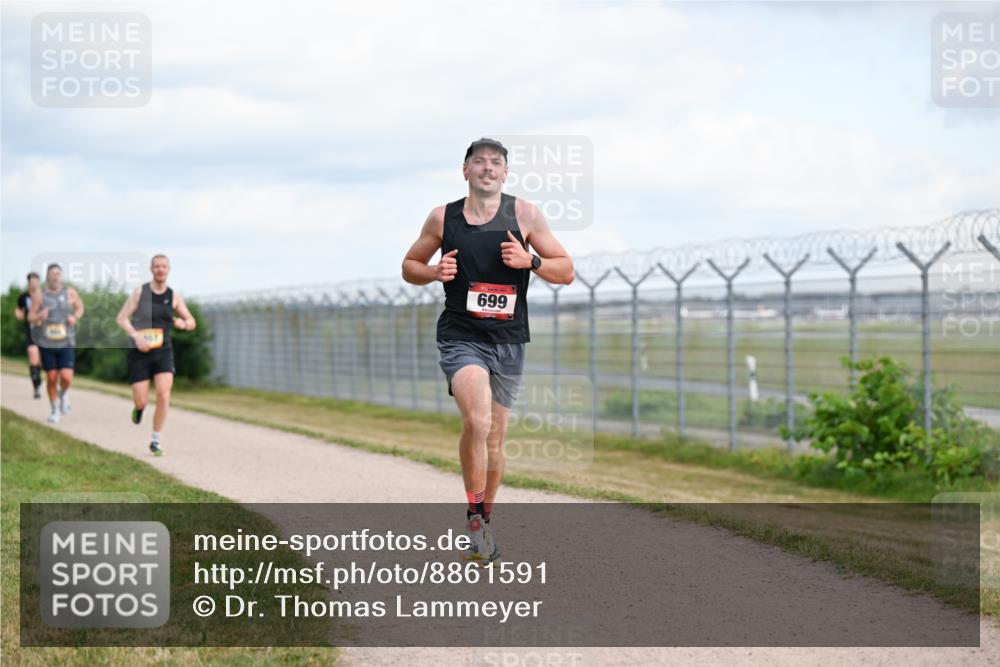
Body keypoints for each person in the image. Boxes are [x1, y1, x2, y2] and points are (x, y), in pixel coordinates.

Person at [402, 138, 575, 563]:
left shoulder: (525, 215)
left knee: (494, 440)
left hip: (509, 342)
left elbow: (566, 271)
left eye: (496, 163)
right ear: (465, 171)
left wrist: (529, 262)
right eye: (479, 162)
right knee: (477, 420)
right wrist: (432, 272)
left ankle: (482, 519)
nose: (488, 168)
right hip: (461, 336)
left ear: (505, 173)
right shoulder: (444, 217)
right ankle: (476, 522)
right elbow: (409, 266)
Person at [116, 255, 196, 456]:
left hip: (163, 352)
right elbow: (122, 318)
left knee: (163, 393)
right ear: (151, 269)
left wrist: (183, 324)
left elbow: (192, 321)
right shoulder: (139, 293)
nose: (160, 270)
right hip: (140, 353)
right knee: (142, 400)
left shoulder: (174, 296)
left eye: (164, 266)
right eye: (157, 266)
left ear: (169, 269)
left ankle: (155, 440)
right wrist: (136, 337)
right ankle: (139, 408)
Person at [29, 263, 84, 423]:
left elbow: (80, 308)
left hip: (66, 341)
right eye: (52, 273)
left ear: (61, 276)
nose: (55, 276)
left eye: (58, 273)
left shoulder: (70, 293)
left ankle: (64, 392)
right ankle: (54, 410)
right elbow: (30, 317)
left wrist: (75, 317)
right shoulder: (40, 295)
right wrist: (39, 316)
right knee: (52, 377)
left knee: (66, 377)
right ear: (48, 276)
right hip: (47, 343)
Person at [15, 271, 43, 398]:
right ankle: (36, 387)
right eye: (31, 281)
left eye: (36, 281)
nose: (34, 283)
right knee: (33, 355)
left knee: (41, 361)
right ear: (29, 283)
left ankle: (39, 379)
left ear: (39, 282)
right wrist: (19, 314)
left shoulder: (45, 296)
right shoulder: (23, 297)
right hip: (30, 331)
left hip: (44, 332)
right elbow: (19, 310)